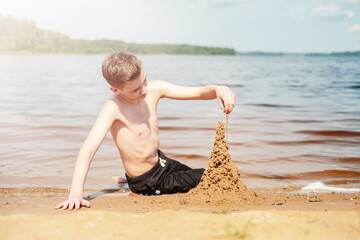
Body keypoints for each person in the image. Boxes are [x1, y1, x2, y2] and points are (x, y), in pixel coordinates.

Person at [55, 51, 235, 210]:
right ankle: (134, 181)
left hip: (163, 164)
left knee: (210, 173)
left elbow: (198, 93)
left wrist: (219, 89)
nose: (144, 91)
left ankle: (130, 179)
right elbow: (88, 149)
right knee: (213, 178)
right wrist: (76, 194)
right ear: (115, 90)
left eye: (145, 81)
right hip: (149, 182)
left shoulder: (153, 90)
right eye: (135, 90)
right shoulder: (113, 108)